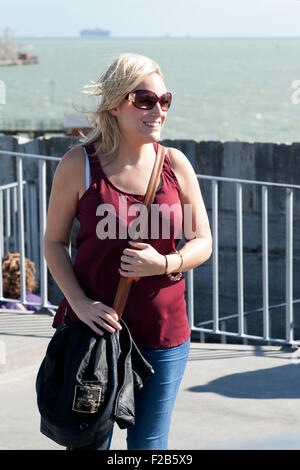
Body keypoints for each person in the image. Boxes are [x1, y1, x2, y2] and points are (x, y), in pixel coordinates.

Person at [44, 53, 212, 450]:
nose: (158, 110)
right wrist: (80, 304)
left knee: (149, 445)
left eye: (164, 100)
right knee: (88, 442)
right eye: (144, 100)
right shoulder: (78, 165)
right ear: (116, 105)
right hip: (94, 334)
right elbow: (54, 242)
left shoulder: (176, 165)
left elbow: (203, 242)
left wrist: (165, 263)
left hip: (163, 334)